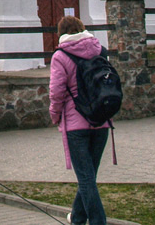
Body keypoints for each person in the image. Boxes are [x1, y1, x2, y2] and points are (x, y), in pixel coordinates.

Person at [48, 15, 111, 225]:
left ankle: (98, 222)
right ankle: (77, 218)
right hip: (100, 120)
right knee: (89, 176)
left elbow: (56, 92)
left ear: (61, 33)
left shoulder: (60, 55)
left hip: (76, 126)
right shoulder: (100, 50)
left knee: (85, 177)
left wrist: (54, 115)